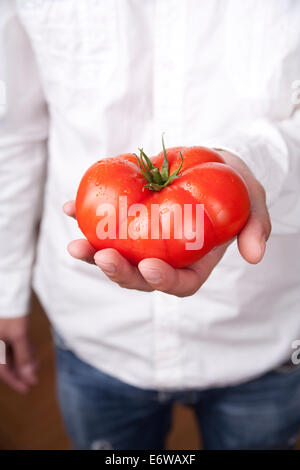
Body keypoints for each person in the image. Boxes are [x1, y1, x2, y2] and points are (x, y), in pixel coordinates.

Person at [0, 0, 300, 450]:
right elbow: (13, 132)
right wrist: (5, 291)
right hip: (92, 326)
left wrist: (250, 163)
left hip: (264, 330)